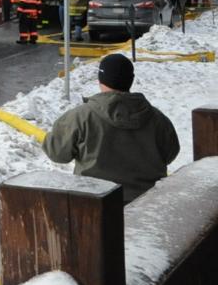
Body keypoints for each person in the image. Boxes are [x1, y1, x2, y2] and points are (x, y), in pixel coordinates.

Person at [43, 53, 179, 203]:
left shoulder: (80, 117)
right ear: (131, 80)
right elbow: (170, 154)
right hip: (147, 205)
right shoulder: (158, 119)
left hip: (96, 204)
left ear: (100, 80)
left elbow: (57, 153)